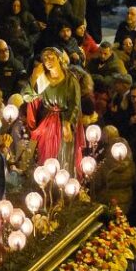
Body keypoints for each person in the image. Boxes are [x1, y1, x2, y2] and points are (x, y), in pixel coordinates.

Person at [25, 47, 83, 175]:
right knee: (46, 152)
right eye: (45, 59)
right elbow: (28, 97)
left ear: (59, 59)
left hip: (65, 120)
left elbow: (75, 104)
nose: (48, 61)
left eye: (51, 58)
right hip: (49, 122)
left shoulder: (70, 80)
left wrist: (67, 123)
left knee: (64, 154)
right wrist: (35, 76)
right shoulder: (44, 79)